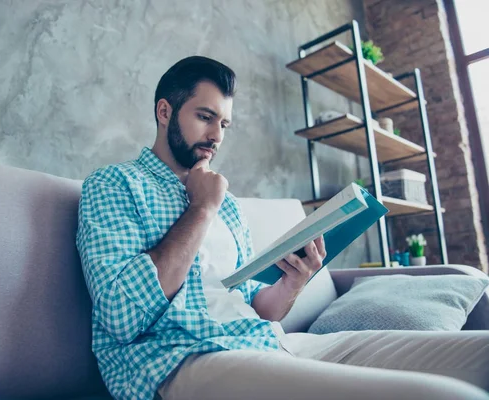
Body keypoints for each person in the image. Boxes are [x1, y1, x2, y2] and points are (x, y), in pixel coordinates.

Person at [76, 56, 489, 400]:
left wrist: (292, 283)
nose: (216, 136)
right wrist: (202, 209)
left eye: (224, 124)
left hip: (265, 341)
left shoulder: (228, 205)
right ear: (164, 111)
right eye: (205, 117)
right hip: (176, 360)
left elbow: (257, 305)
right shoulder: (115, 184)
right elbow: (121, 315)